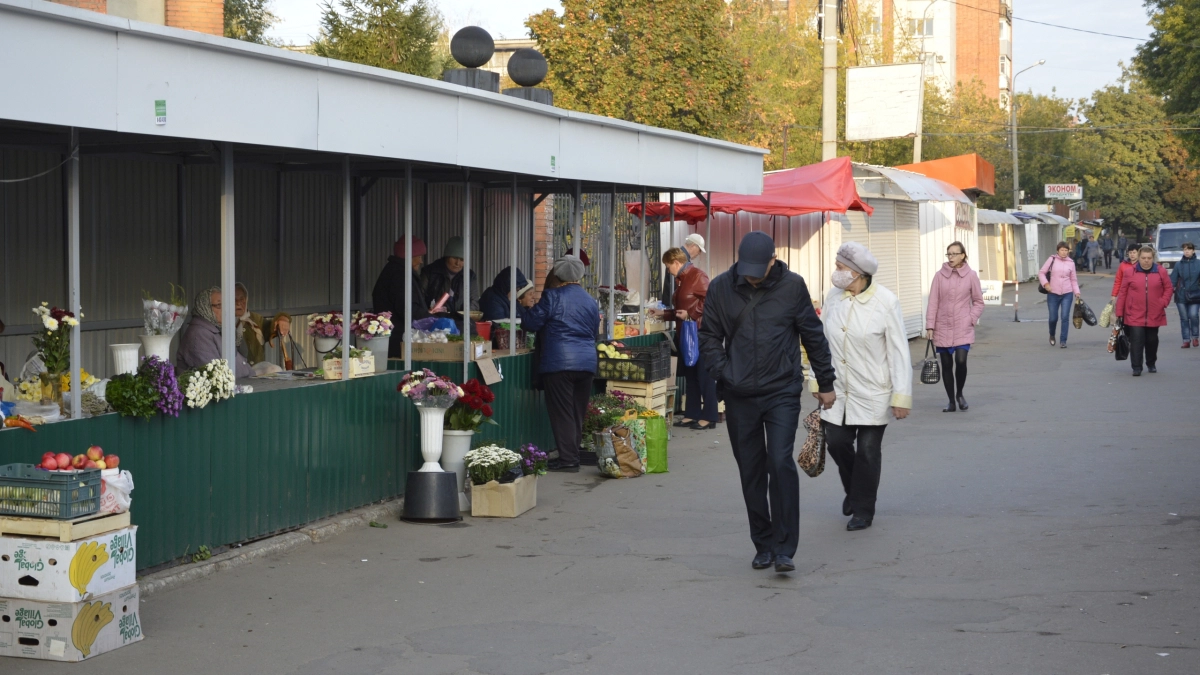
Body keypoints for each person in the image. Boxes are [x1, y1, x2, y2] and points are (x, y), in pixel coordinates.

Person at [698, 231, 836, 573]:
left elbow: (812, 334)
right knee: (751, 470)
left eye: (759, 269)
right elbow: (709, 336)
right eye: (747, 269)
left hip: (781, 391)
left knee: (780, 462)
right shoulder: (720, 287)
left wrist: (826, 381)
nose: (752, 276)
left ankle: (785, 548)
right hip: (739, 393)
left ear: (773, 260)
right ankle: (763, 544)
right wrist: (724, 372)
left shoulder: (792, 286)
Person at [820, 242, 912, 532]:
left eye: (840, 268)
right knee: (835, 441)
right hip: (838, 389)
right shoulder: (833, 298)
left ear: (857, 273)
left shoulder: (885, 301)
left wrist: (901, 395)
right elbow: (820, 344)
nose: (836, 273)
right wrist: (817, 379)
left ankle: (863, 509)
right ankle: (854, 489)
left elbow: (899, 351)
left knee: (868, 451)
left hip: (874, 390)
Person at [523, 255, 600, 473]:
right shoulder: (590, 300)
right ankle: (571, 455)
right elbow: (594, 333)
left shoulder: (551, 296)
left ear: (557, 274)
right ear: (580, 275)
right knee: (577, 411)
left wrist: (525, 308)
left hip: (559, 363)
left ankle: (568, 460)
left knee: (563, 413)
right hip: (586, 362)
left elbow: (531, 323)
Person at [650, 247, 716, 430]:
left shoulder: (697, 276)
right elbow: (681, 311)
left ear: (677, 263)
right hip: (687, 333)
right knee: (691, 375)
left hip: (700, 333)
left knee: (704, 375)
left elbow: (711, 300)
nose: (668, 269)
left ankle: (710, 416)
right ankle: (692, 413)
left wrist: (691, 314)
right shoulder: (682, 279)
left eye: (668, 265)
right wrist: (663, 313)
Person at [925, 241, 984, 413]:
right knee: (946, 364)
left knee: (960, 360)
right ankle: (951, 401)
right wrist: (930, 326)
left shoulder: (971, 275)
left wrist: (971, 318)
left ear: (963, 255)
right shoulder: (939, 276)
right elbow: (933, 302)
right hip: (942, 326)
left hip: (962, 326)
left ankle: (959, 394)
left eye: (954, 254)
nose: (951, 257)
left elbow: (979, 302)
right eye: (948, 254)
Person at [1116, 246, 1174, 375]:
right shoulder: (1130, 272)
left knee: (1152, 340)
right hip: (1134, 313)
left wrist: (1163, 302)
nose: (1146, 261)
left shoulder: (1161, 271)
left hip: (1154, 312)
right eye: (1143, 258)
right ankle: (1136, 367)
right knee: (1137, 340)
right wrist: (1119, 312)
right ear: (1139, 258)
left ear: (1153, 258)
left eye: (1149, 258)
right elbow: (1123, 292)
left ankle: (1151, 362)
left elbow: (1169, 288)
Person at [372, 237, 431, 358]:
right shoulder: (400, 276)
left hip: (394, 339)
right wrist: (431, 318)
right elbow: (409, 309)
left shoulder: (395, 271)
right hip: (398, 342)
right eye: (418, 257)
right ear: (408, 256)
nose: (421, 261)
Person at [176, 287, 252, 378]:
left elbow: (242, 357)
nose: (225, 310)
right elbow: (216, 374)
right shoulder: (198, 335)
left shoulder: (218, 329)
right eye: (219, 305)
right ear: (205, 307)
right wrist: (247, 372)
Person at [234, 283, 291, 368]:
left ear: (246, 300)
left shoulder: (257, 319)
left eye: (242, 299)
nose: (238, 303)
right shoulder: (223, 322)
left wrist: (283, 319)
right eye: (234, 299)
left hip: (258, 371)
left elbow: (271, 327)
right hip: (235, 372)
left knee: (275, 369)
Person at [421, 236, 479, 314]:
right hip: (433, 320)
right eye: (454, 258)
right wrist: (426, 313)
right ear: (447, 256)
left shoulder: (470, 276)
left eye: (462, 260)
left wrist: (462, 316)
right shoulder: (429, 272)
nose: (457, 263)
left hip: (459, 321)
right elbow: (419, 298)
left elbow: (474, 302)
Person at [1039, 242, 1080, 348]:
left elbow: (1073, 279)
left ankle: (1063, 340)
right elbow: (1041, 273)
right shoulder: (1052, 259)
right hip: (1053, 293)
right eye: (1062, 250)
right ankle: (1052, 334)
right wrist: (1046, 284)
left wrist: (1077, 292)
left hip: (1067, 293)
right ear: (1058, 251)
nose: (1064, 252)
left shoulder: (1071, 262)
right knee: (1053, 318)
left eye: (1066, 250)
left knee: (1065, 317)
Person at [1170, 242, 1200, 348]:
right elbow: (1173, 280)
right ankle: (1186, 340)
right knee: (1184, 318)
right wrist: (1169, 292)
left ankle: (1195, 337)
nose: (1186, 251)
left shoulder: (1198, 263)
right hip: (1181, 295)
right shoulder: (1179, 265)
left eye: (1189, 249)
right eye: (1185, 249)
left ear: (1193, 251)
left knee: (1193, 315)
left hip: (1195, 295)